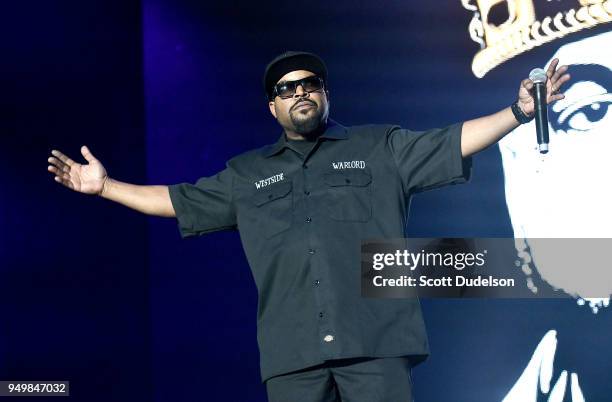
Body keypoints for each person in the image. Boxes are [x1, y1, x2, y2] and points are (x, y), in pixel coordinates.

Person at [47, 51, 570, 402]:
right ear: (272, 106)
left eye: (310, 83)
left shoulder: (378, 147)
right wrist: (106, 186)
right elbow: (176, 201)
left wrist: (518, 113)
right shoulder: (246, 174)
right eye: (287, 87)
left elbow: (453, 140)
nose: (301, 91)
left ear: (324, 94)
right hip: (292, 356)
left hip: (377, 346)